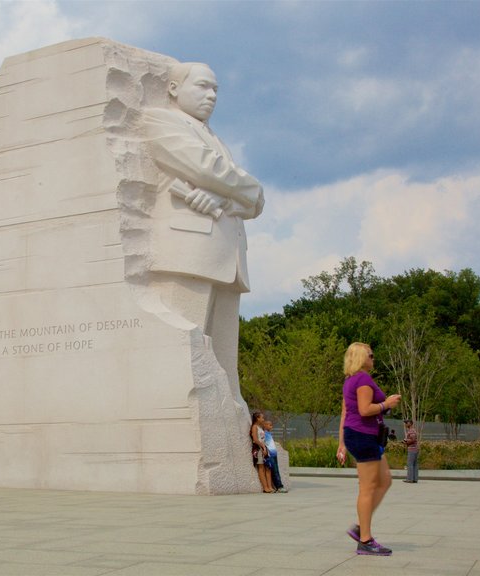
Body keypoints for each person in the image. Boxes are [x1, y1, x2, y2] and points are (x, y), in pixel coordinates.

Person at [142, 62, 265, 406]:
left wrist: (226, 195)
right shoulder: (159, 121)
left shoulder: (216, 138)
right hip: (188, 253)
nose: (211, 96)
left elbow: (256, 202)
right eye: (202, 87)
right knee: (184, 356)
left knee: (224, 367)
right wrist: (247, 188)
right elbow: (203, 167)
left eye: (215, 90)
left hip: (228, 259)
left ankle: (229, 432)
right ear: (174, 89)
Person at [336, 342, 401, 556]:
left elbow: (346, 414)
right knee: (368, 487)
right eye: (370, 355)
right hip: (363, 435)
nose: (374, 358)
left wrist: (342, 444)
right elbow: (364, 410)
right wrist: (387, 404)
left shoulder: (349, 380)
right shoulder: (362, 378)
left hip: (359, 435)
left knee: (385, 481)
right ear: (361, 357)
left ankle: (360, 528)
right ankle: (365, 539)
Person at [250, 411, 273, 493]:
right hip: (258, 449)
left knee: (267, 467)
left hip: (264, 449)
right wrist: (263, 447)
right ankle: (265, 487)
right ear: (257, 418)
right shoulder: (254, 427)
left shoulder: (260, 427)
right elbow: (255, 440)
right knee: (261, 468)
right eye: (262, 417)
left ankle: (269, 486)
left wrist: (265, 448)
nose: (263, 419)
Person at [264, 420, 287, 493]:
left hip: (274, 454)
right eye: (270, 425)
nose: (271, 426)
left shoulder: (269, 434)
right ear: (265, 425)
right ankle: (279, 486)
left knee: (276, 470)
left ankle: (278, 486)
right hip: (270, 455)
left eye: (271, 425)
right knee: (275, 471)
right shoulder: (264, 433)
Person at [402, 419, 419, 483]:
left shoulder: (411, 430)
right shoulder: (412, 430)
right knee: (415, 464)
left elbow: (413, 439)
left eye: (407, 423)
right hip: (415, 448)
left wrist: (406, 441)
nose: (406, 424)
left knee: (410, 464)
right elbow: (413, 439)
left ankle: (409, 479)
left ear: (410, 423)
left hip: (412, 449)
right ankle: (415, 479)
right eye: (405, 423)